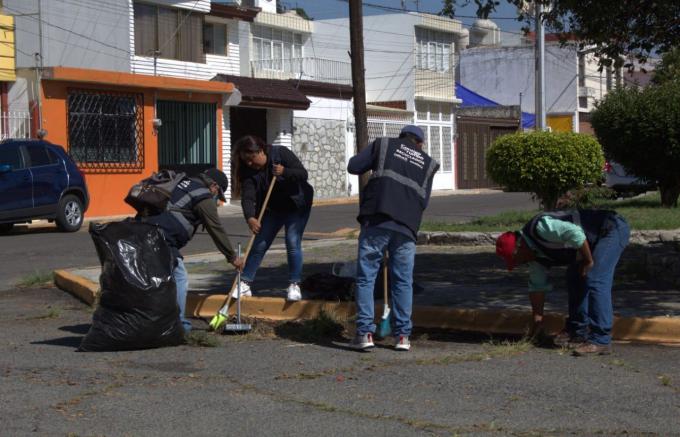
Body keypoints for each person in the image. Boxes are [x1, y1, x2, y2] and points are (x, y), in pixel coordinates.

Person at [347, 125, 439, 351]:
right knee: (403, 282)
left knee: (366, 277)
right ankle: (402, 337)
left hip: (378, 218)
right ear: (420, 143)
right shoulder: (428, 164)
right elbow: (424, 202)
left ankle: (365, 333)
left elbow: (354, 166)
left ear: (402, 138)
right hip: (406, 226)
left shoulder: (384, 145)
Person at [495, 209, 630, 355]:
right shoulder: (534, 257)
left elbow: (575, 233)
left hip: (610, 229)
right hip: (590, 241)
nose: (519, 264)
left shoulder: (540, 227)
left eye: (516, 260)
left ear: (519, 248)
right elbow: (537, 287)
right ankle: (577, 332)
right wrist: (537, 322)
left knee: (595, 277)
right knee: (574, 277)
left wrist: (588, 260)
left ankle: (601, 340)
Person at [143, 168, 243, 333]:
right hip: (162, 237)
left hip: (144, 231)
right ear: (214, 186)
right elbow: (215, 228)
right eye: (218, 194)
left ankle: (155, 320)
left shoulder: (181, 183)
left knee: (159, 280)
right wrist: (232, 257)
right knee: (180, 277)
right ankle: (178, 324)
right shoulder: (202, 195)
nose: (217, 200)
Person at [231, 135, 314, 301]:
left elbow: (302, 174)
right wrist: (250, 218)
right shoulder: (249, 171)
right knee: (260, 243)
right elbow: (248, 197)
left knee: (292, 241)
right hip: (272, 208)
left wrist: (285, 172)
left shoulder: (280, 154)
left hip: (296, 204)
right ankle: (245, 283)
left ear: (261, 151)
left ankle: (294, 284)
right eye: (246, 161)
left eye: (251, 159)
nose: (249, 163)